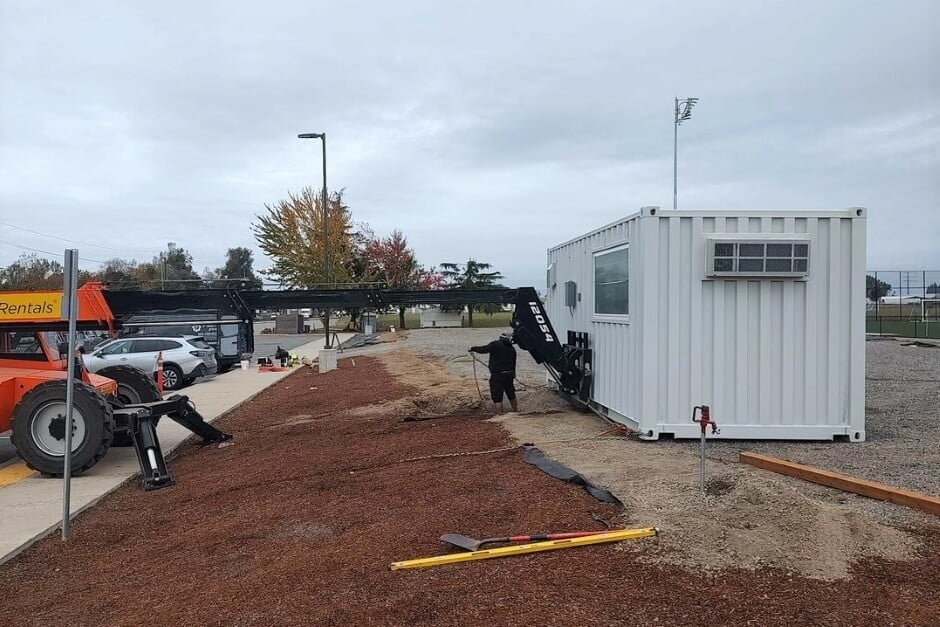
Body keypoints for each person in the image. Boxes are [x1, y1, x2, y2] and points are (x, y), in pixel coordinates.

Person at [469, 331, 518, 413]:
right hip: (509, 374)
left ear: (500, 338)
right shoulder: (512, 349)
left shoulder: (495, 345)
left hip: (497, 375)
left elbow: (484, 349)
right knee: (511, 394)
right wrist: (513, 374)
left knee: (497, 397)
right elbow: (514, 363)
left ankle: (500, 415)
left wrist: (473, 348)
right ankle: (516, 411)